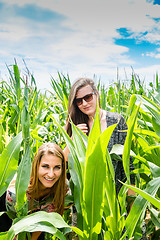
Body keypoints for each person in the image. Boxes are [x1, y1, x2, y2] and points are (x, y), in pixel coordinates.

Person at [64, 77, 135, 195]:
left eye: (88, 97)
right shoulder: (75, 125)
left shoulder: (116, 121)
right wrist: (73, 140)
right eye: (79, 101)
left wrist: (131, 202)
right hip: (84, 201)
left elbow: (127, 163)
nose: (84, 103)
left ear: (97, 94)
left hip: (113, 200)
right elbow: (62, 162)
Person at [5, 142, 67, 240]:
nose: (51, 174)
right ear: (36, 166)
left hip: (38, 225)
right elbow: (14, 230)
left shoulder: (63, 187)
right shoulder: (16, 193)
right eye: (45, 166)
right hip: (8, 221)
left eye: (57, 167)